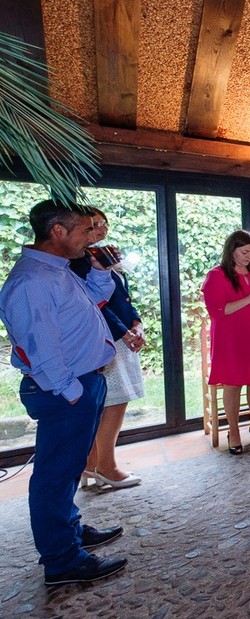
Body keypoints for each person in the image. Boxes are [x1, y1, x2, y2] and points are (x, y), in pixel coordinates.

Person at [0, 200, 126, 586]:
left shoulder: (56, 269)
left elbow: (93, 301)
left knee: (69, 468)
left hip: (82, 382)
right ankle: (62, 560)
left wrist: (102, 271)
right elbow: (41, 347)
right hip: (64, 389)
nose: (94, 236)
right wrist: (71, 392)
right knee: (54, 475)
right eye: (87, 229)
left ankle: (68, 529)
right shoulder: (32, 281)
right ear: (58, 231)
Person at [71, 208, 146, 489]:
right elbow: (95, 305)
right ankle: (105, 466)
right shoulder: (78, 261)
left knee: (111, 402)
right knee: (110, 403)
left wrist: (137, 323)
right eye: (94, 225)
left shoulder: (105, 256)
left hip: (123, 336)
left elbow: (122, 298)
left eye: (103, 224)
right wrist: (123, 332)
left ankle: (91, 466)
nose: (101, 229)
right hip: (104, 339)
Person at [201, 230, 250, 454]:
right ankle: (233, 431)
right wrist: (249, 298)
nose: (248, 256)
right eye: (244, 252)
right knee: (233, 384)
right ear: (231, 249)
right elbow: (218, 311)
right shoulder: (216, 275)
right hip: (229, 338)